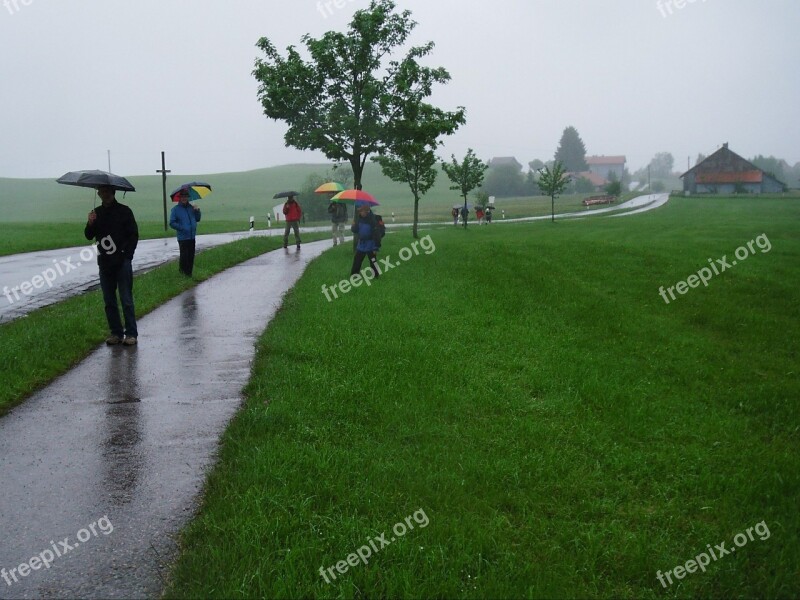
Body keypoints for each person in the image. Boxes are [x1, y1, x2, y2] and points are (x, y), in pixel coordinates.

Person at [84, 185, 139, 346]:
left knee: (126, 299)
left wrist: (127, 255)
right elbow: (88, 235)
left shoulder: (125, 211)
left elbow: (133, 235)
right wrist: (90, 223)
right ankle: (116, 333)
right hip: (104, 262)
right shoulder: (97, 213)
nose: (104, 195)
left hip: (122, 262)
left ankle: (131, 334)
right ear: (99, 194)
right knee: (109, 300)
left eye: (107, 192)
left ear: (113, 193)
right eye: (102, 192)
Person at [169, 189, 202, 276]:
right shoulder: (175, 210)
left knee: (191, 256)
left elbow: (198, 219)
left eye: (185, 197)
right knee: (184, 257)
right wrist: (182, 228)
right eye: (182, 197)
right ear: (179, 198)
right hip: (183, 237)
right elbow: (172, 223)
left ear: (188, 198)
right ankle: (183, 275)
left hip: (192, 236)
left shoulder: (191, 207)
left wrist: (197, 211)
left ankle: (189, 275)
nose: (184, 198)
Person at [350, 201, 385, 278]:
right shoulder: (359, 218)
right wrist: (353, 226)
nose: (360, 212)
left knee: (373, 261)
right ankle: (354, 276)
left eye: (361, 211)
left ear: (366, 211)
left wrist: (376, 247)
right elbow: (355, 230)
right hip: (361, 244)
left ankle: (376, 276)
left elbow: (377, 234)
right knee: (357, 260)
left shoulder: (374, 220)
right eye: (359, 211)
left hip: (371, 244)